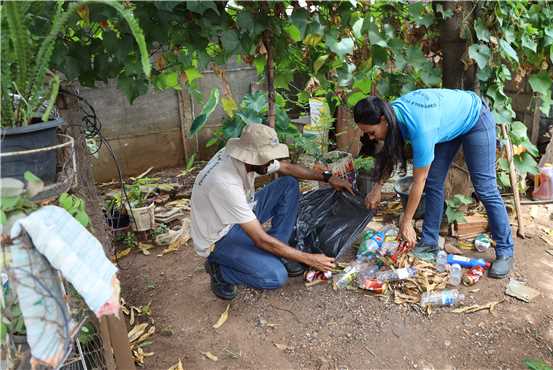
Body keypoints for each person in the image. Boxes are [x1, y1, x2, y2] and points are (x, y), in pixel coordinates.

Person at [353, 89, 515, 278]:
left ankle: (505, 251)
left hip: (475, 118)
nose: (371, 138)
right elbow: (391, 152)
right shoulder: (392, 115)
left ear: (383, 120)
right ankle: (429, 243)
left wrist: (406, 222)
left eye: (372, 133)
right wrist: (376, 188)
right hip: (447, 125)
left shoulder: (420, 128)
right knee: (434, 182)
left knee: (485, 188)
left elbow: (418, 180)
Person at [190, 123, 354, 300]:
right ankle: (220, 270)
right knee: (274, 276)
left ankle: (277, 251)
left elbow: (286, 168)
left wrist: (328, 178)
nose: (271, 161)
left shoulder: (244, 157)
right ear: (250, 157)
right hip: (219, 237)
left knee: (288, 184)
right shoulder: (225, 183)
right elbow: (260, 239)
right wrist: (309, 258)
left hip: (237, 214)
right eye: (267, 158)